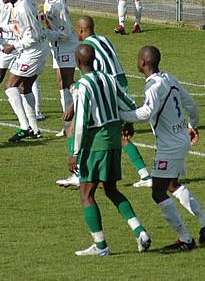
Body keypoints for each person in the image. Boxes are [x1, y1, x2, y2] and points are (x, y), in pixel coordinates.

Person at [119, 46, 205, 252]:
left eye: (138, 59)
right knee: (172, 184)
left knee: (157, 191)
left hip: (169, 146)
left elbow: (146, 112)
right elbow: (191, 104)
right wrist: (193, 125)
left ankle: (185, 238)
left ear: (143, 63)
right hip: (180, 138)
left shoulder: (153, 87)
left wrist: (121, 115)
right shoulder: (170, 78)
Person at [69, 44, 151, 257]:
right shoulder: (108, 78)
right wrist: (129, 122)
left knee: (86, 193)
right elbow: (126, 101)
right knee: (111, 189)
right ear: (94, 59)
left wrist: (75, 152)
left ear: (78, 62)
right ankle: (140, 231)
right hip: (114, 141)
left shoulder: (83, 85)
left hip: (96, 143)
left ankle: (101, 245)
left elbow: (81, 121)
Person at [56, 15, 152, 189]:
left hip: (107, 90)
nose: (75, 33)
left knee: (72, 130)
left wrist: (73, 105)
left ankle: (78, 175)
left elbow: (94, 76)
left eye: (76, 29)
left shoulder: (87, 48)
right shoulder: (103, 39)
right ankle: (145, 176)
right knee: (121, 136)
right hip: (119, 88)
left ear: (82, 30)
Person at [0, 0, 49, 142]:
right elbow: (19, 26)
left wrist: (13, 46)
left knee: (10, 86)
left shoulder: (23, 8)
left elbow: (33, 37)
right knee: (25, 87)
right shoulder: (18, 4)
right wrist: (2, 28)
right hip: (36, 50)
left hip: (33, 51)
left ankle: (24, 127)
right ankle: (35, 130)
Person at [37, 0, 78, 135]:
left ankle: (75, 120)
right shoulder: (48, 2)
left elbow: (66, 32)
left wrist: (45, 32)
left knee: (67, 84)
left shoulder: (59, 5)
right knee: (61, 83)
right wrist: (43, 18)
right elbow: (51, 21)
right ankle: (68, 123)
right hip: (57, 48)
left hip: (67, 46)